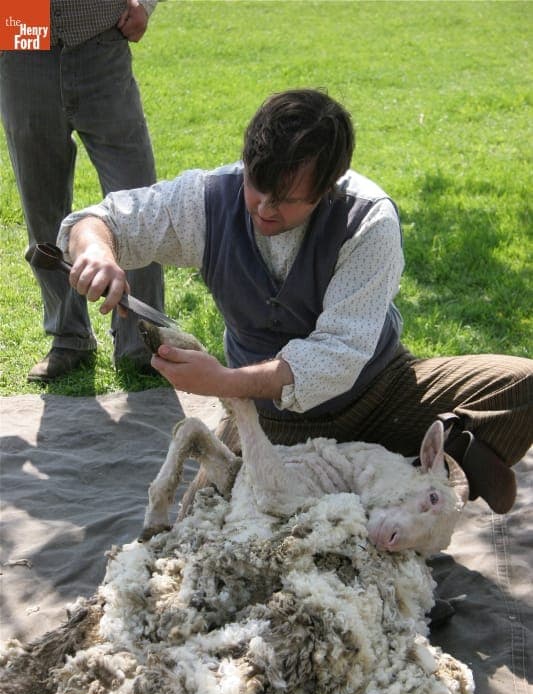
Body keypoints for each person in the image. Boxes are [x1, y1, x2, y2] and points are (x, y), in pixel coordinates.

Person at [57, 89, 532, 513]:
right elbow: (102, 219)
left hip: (380, 394)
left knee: (524, 386)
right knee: (206, 526)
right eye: (257, 186)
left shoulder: (367, 220)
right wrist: (97, 252)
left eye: (285, 200)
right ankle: (405, 476)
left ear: (327, 188)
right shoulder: (208, 200)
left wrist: (224, 380)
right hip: (272, 423)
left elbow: (339, 355)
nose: (264, 207)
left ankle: (433, 452)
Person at [0, 0, 164, 381]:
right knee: (43, 206)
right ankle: (68, 337)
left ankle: (142, 339)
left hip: (101, 38)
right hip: (22, 35)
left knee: (136, 200)